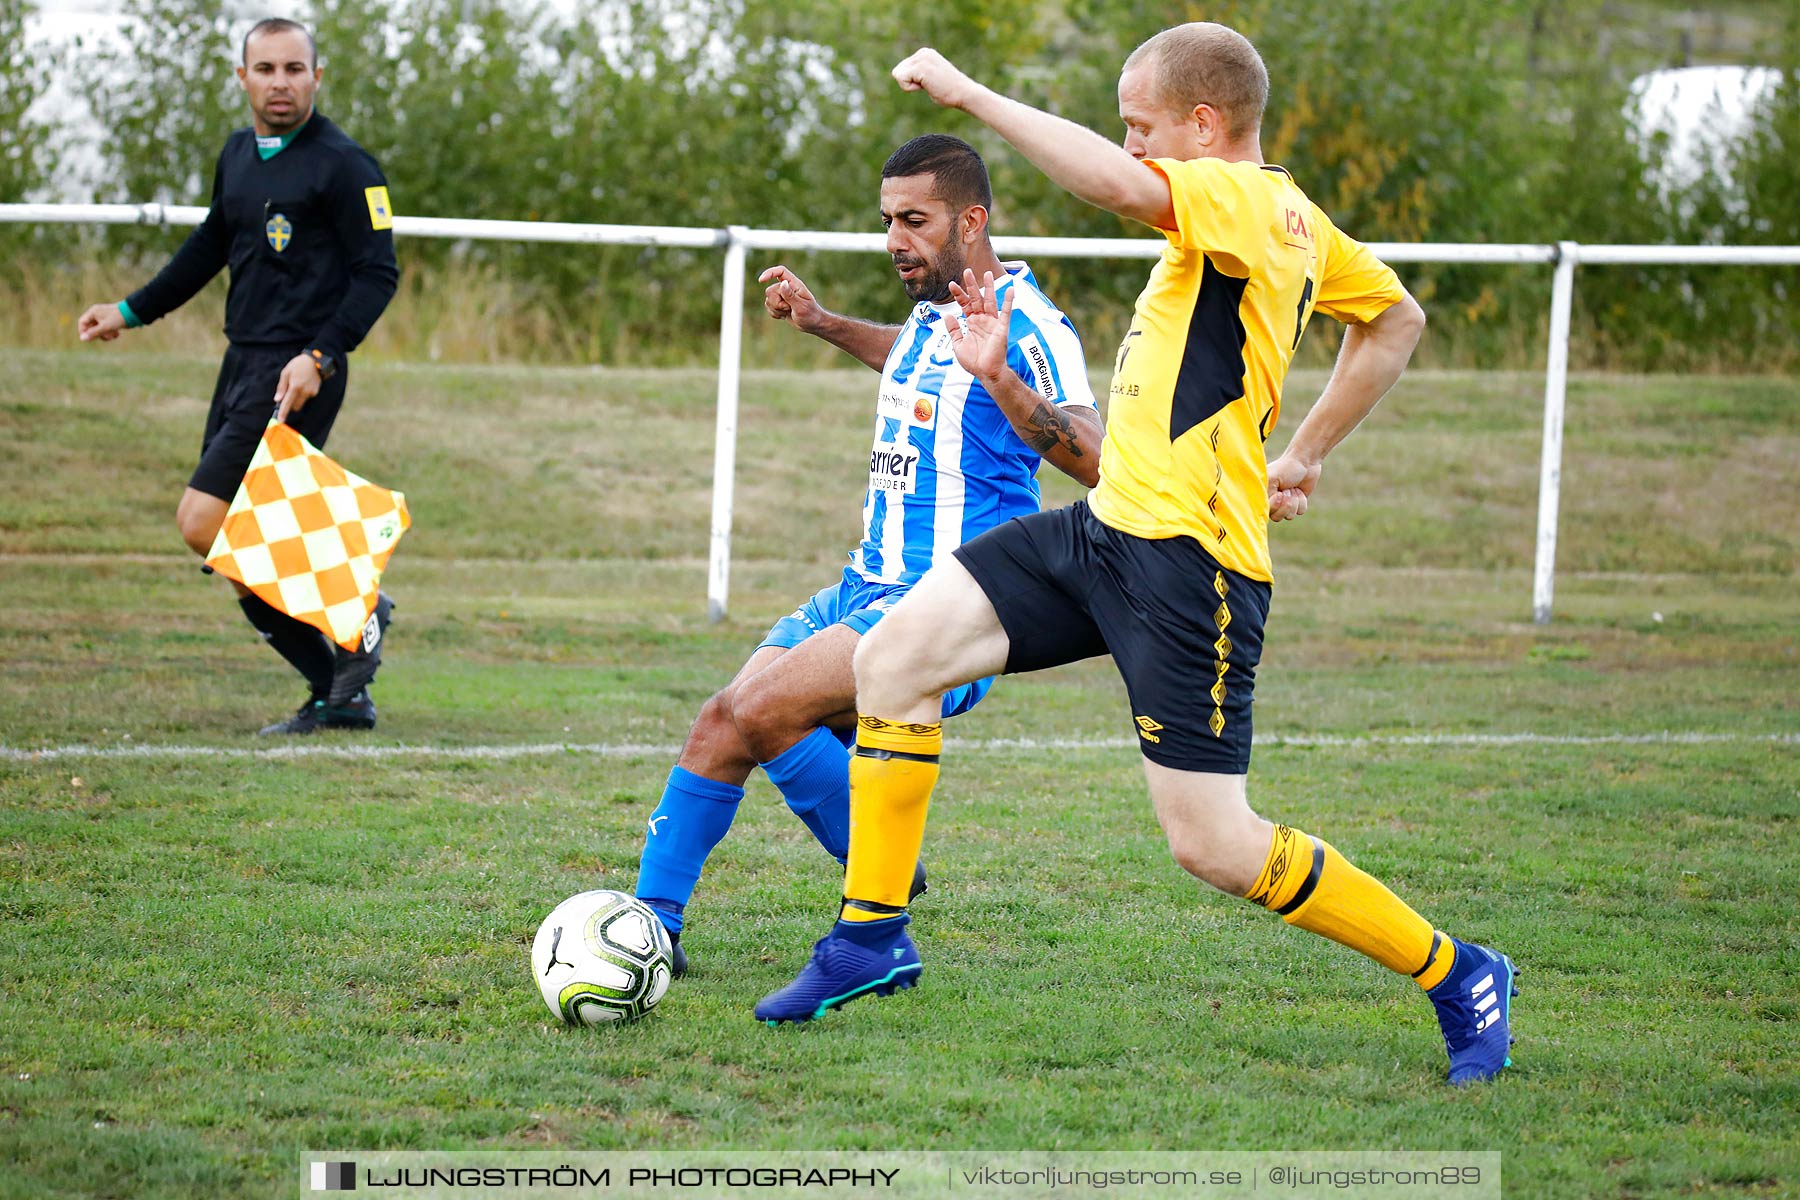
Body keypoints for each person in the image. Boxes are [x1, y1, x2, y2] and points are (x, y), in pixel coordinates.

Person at [755, 25, 1520, 1088]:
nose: (1132, 144)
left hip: (1190, 567)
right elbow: (1396, 319)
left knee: (1213, 845)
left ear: (1205, 127)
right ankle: (869, 941)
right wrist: (1299, 454)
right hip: (1108, 525)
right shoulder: (1300, 217)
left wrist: (969, 94)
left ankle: (1459, 970)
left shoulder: (1245, 198)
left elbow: (1117, 190)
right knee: (893, 661)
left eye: (1143, 125)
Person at [632, 134, 1102, 977]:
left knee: (767, 709)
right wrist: (823, 325)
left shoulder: (1030, 323)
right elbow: (915, 360)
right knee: (722, 719)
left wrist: (1001, 379)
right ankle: (649, 930)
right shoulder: (936, 314)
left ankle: (877, 870)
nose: (894, 240)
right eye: (887, 220)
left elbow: (1098, 457)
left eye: (913, 221)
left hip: (950, 605)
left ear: (971, 220)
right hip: (866, 582)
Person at [76, 17, 400, 736]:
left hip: (297, 370)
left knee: (204, 523)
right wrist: (130, 310)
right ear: (242, 77)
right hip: (241, 362)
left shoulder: (346, 165)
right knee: (236, 543)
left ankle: (357, 597)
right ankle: (339, 692)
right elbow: (208, 247)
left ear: (318, 76)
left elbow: (379, 274)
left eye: (293, 69)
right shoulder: (238, 155)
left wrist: (320, 356)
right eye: (265, 69)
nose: (279, 83)